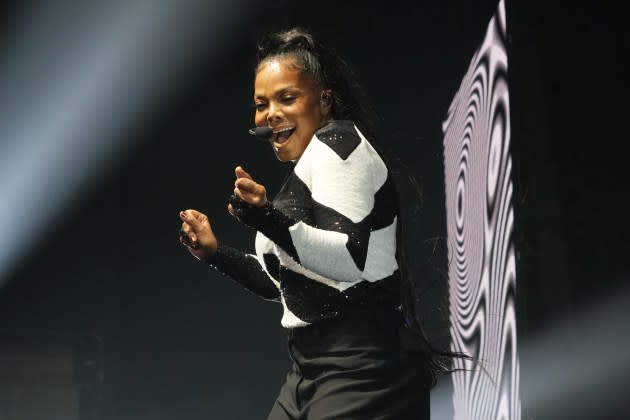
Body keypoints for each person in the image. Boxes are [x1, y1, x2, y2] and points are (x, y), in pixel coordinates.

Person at [178, 27, 452, 419]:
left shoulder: (338, 145)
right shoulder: (309, 166)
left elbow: (347, 260)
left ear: (324, 100)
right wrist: (216, 254)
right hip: (314, 366)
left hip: (362, 366)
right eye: (261, 104)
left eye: (287, 98)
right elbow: (289, 285)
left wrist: (266, 217)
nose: (270, 114)